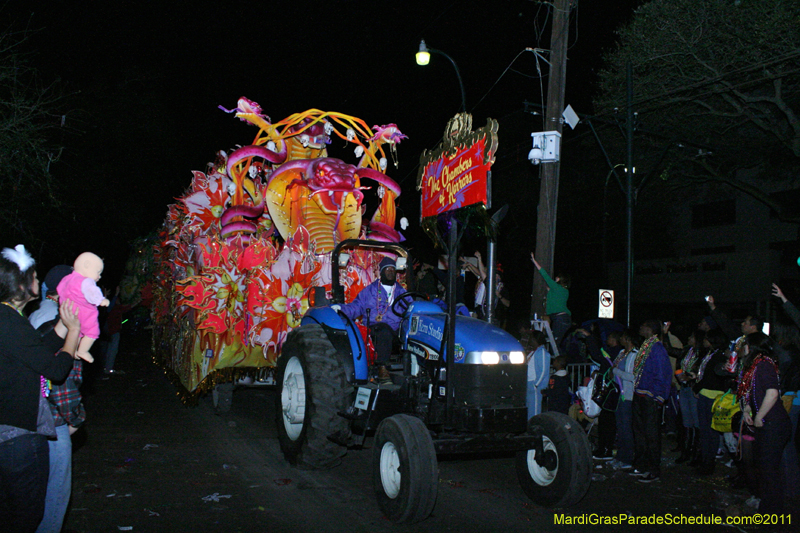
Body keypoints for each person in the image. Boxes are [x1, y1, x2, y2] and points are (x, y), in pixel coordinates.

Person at [0, 245, 82, 532]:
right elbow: (55, 369)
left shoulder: (8, 318)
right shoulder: (9, 322)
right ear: (22, 285)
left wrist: (63, 325)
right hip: (17, 436)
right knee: (26, 515)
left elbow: (36, 352)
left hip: (9, 433)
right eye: (34, 277)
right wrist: (74, 333)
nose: (39, 281)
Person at [28, 266, 83, 533]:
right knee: (54, 496)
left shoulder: (42, 312)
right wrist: (73, 416)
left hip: (37, 416)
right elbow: (60, 377)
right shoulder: (56, 319)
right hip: (52, 420)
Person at [737, 332, 793, 514]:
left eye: (744, 344)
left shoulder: (763, 364)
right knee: (764, 468)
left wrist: (759, 416)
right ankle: (767, 506)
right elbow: (755, 392)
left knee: (769, 471)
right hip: (768, 424)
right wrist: (748, 409)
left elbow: (772, 393)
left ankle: (772, 513)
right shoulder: (756, 365)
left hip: (773, 424)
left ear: (751, 346)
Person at [332, 257, 404, 382]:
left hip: (396, 328)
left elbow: (410, 308)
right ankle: (382, 368)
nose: (391, 271)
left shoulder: (402, 292)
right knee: (383, 331)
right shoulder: (370, 291)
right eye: (387, 269)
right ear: (381, 272)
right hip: (376, 327)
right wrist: (341, 309)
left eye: (393, 269)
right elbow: (356, 307)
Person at [629, 320, 672, 483]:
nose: (640, 327)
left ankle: (653, 469)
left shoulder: (657, 348)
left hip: (650, 398)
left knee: (651, 436)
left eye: (643, 326)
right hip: (640, 394)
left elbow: (662, 374)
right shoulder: (646, 346)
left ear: (650, 329)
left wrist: (657, 397)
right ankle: (641, 465)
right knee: (640, 433)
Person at [57, 252, 110, 362]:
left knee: (77, 333)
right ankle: (83, 351)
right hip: (84, 313)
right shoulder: (86, 281)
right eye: (98, 272)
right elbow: (92, 292)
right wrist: (101, 300)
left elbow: (60, 289)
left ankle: (74, 349)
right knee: (92, 332)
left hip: (70, 311)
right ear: (87, 266)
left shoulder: (67, 278)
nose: (99, 276)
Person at [692, 329, 730, 475]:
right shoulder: (711, 354)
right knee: (705, 431)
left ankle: (708, 462)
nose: (704, 341)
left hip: (712, 396)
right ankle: (705, 459)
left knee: (710, 432)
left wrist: (697, 387)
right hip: (705, 394)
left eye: (707, 338)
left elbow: (710, 378)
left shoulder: (719, 356)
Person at [674, 330, 705, 465]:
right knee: (686, 421)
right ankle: (686, 451)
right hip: (684, 387)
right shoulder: (687, 351)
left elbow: (701, 373)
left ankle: (696, 453)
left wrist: (691, 377)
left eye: (692, 336)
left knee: (696, 421)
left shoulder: (702, 354)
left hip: (694, 389)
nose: (689, 338)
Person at [529, 252, 570, 351]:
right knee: (557, 344)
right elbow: (556, 297)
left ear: (560, 279)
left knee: (554, 345)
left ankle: (558, 360)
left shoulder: (556, 287)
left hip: (560, 319)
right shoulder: (564, 291)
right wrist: (549, 290)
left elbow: (544, 275)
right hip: (564, 319)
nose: (555, 278)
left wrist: (534, 261)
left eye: (557, 277)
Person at [610, 330, 638, 470]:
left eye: (622, 337)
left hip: (627, 395)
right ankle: (620, 456)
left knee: (626, 427)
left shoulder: (635, 355)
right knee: (620, 426)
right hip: (618, 394)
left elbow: (633, 377)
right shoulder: (622, 353)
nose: (620, 339)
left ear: (627, 339)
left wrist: (616, 372)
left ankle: (627, 458)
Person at [526, 330, 551, 420]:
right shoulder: (534, 352)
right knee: (529, 408)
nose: (529, 340)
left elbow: (543, 370)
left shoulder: (542, 352)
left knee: (534, 410)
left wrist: (536, 384)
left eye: (531, 338)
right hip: (529, 383)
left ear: (535, 339)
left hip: (534, 385)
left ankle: (534, 425)